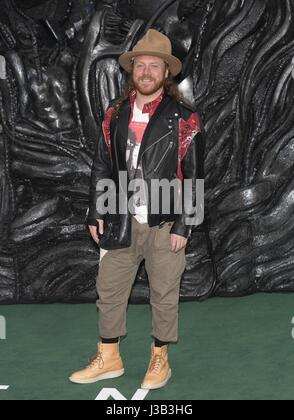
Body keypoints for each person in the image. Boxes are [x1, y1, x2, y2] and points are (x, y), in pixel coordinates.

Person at [70, 29, 205, 390]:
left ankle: (160, 358)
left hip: (165, 221)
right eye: (140, 65)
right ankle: (109, 356)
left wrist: (184, 225)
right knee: (109, 289)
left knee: (164, 293)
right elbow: (102, 165)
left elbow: (194, 176)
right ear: (133, 71)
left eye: (154, 66)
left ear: (166, 73)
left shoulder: (184, 118)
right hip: (120, 218)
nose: (146, 72)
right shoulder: (115, 114)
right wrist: (96, 211)